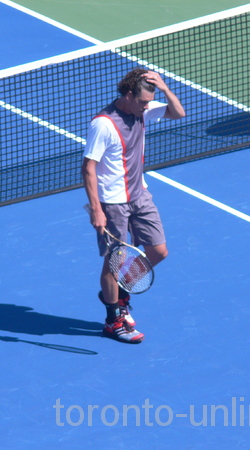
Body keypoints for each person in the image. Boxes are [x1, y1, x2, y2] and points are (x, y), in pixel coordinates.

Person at [82, 68, 185, 344]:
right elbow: (88, 168)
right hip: (113, 203)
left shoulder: (143, 110)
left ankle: (118, 292)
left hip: (140, 194)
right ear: (128, 96)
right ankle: (113, 320)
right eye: (142, 102)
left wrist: (163, 88)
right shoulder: (103, 125)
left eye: (149, 102)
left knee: (159, 251)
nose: (146, 107)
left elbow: (178, 113)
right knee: (115, 261)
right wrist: (96, 210)